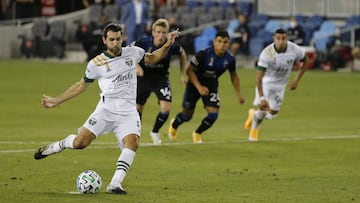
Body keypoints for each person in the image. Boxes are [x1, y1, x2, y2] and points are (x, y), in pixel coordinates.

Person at [34, 23, 180, 194]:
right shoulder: (96, 63)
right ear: (104, 40)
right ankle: (57, 146)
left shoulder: (133, 52)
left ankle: (115, 184)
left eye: (118, 39)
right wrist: (56, 101)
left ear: (122, 38)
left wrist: (168, 44)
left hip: (128, 113)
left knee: (132, 143)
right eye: (111, 40)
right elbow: (81, 85)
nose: (116, 43)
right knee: (80, 143)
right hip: (106, 110)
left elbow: (153, 57)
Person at [168, 30, 245, 143]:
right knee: (187, 116)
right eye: (219, 41)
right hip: (194, 85)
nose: (222, 45)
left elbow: (234, 76)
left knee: (213, 115)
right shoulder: (203, 54)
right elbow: (190, 71)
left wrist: (239, 94)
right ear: (214, 42)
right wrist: (199, 87)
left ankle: (197, 133)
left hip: (211, 85)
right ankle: (174, 125)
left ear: (228, 44)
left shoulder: (230, 59)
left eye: (225, 42)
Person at [244, 28, 309, 141]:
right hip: (266, 83)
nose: (280, 41)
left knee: (272, 114)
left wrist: (297, 80)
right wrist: (262, 97)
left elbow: (306, 61)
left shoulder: (294, 49)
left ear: (286, 38)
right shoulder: (266, 53)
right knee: (263, 109)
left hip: (281, 86)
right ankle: (253, 133)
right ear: (274, 38)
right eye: (278, 39)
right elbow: (259, 78)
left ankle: (253, 114)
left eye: (283, 39)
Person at [133, 18, 187, 144]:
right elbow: (128, 53)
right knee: (138, 107)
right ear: (153, 32)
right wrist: (137, 66)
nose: (161, 35)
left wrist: (182, 74)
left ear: (167, 33)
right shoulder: (143, 42)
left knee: (166, 108)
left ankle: (155, 131)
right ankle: (136, 133)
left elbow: (182, 54)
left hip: (161, 79)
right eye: (158, 32)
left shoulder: (171, 45)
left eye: (164, 32)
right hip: (143, 78)